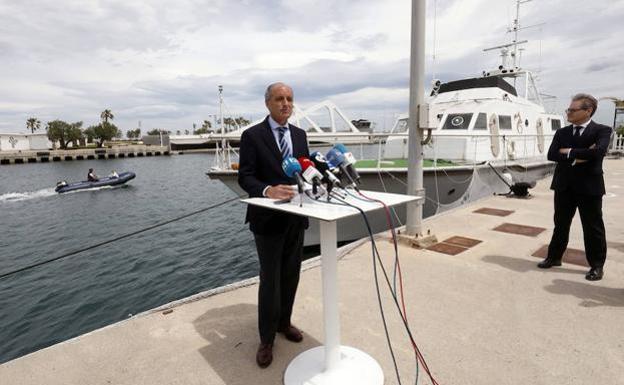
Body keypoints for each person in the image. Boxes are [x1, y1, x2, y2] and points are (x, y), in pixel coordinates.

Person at [238, 82, 310, 368]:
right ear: (267, 103)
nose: (286, 104)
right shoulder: (252, 136)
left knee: (291, 274)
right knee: (270, 279)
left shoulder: (300, 135)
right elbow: (246, 177)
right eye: (280, 99)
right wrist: (268, 190)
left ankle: (284, 323)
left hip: (296, 217)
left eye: (290, 99)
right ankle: (266, 339)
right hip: (267, 220)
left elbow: (304, 169)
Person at [538, 93, 612, 281]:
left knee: (593, 227)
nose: (568, 112)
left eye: (572, 110)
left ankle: (596, 265)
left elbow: (598, 152)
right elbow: (552, 154)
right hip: (564, 185)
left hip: (590, 187)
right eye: (568, 109)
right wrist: (580, 156)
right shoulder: (562, 132)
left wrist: (569, 151)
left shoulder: (602, 130)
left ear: (588, 111)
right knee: (560, 224)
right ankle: (554, 257)